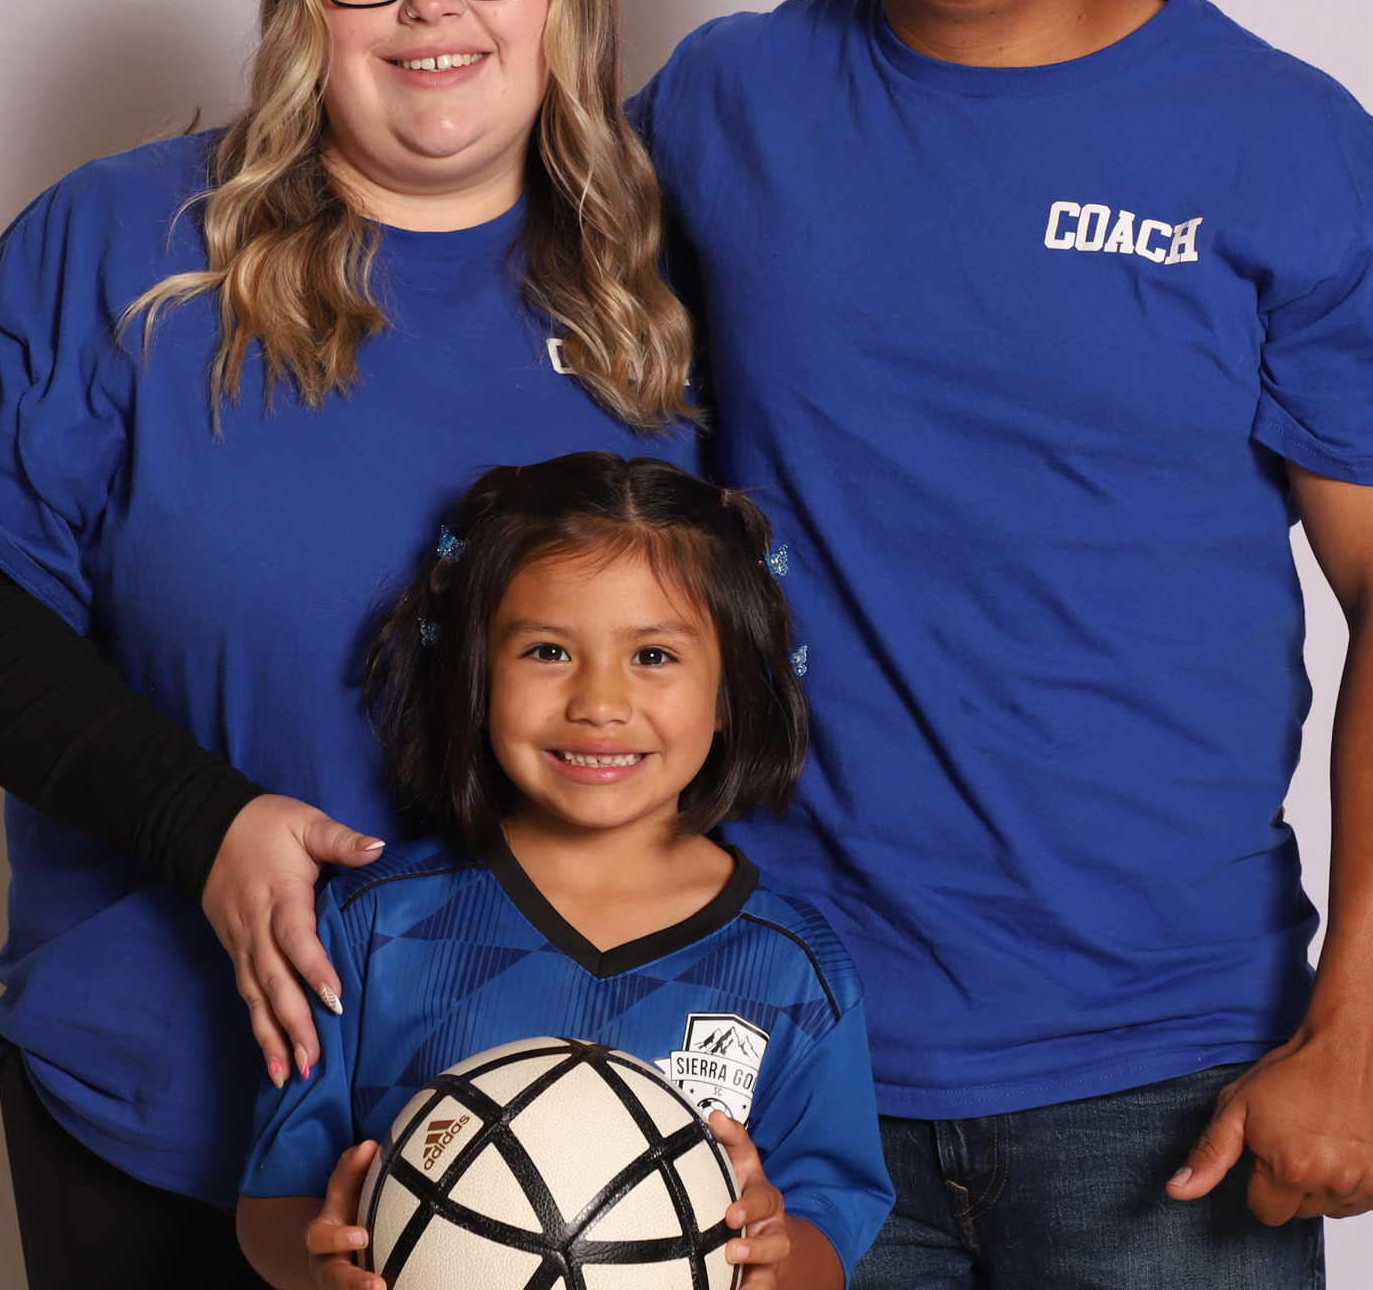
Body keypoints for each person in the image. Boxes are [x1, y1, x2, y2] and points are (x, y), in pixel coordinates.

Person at [627, 0, 1373, 1287]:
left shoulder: (1289, 150)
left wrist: (1363, 1028)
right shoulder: (727, 104)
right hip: (780, 1050)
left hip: (1171, 1069)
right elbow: (460, 267)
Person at [0, 0, 701, 1287]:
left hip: (572, 1124)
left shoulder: (663, 284)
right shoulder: (128, 245)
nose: (432, 3)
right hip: (171, 1095)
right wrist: (208, 824)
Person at [237, 453, 894, 1290]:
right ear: (476, 672)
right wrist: (316, 1258)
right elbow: (271, 1205)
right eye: (548, 650)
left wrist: (778, 1258)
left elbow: (826, 1230)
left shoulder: (795, 965)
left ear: (731, 689)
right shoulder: (370, 925)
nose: (599, 704)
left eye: (653, 656)